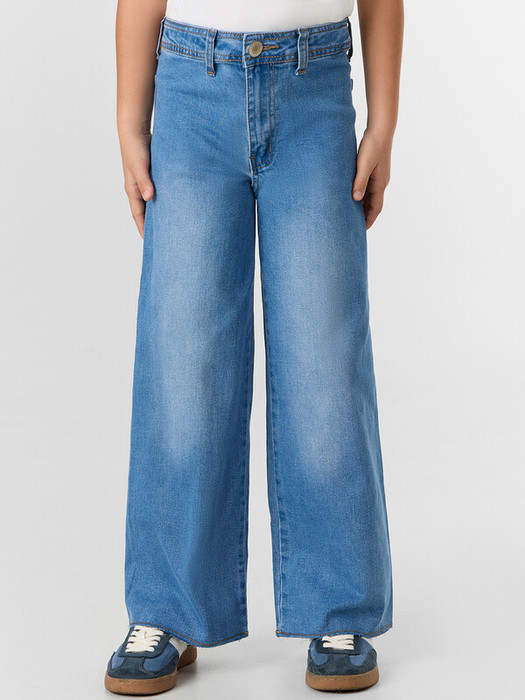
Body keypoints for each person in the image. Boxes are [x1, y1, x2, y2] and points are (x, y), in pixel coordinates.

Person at [104, 0, 403, 694]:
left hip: (314, 89)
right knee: (183, 362)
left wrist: (383, 121)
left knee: (324, 361)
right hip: (190, 90)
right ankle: (167, 609)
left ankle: (337, 607)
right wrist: (128, 121)